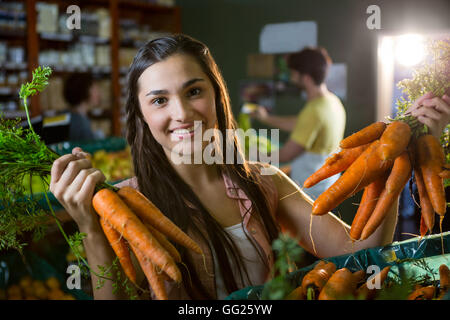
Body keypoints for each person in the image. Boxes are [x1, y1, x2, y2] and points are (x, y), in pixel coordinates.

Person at [49, 34, 450, 300]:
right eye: (159, 100)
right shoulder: (129, 203)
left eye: (194, 91)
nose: (183, 113)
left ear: (216, 96)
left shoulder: (264, 182)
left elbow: (359, 250)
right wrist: (89, 225)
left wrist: (399, 152)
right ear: (140, 116)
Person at [251, 47, 346, 200]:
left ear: (306, 78)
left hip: (310, 191)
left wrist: (254, 157)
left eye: (294, 73)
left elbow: (287, 153)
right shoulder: (332, 102)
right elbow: (301, 124)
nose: (292, 77)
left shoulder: (314, 110)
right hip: (328, 185)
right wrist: (266, 118)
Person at [63, 72, 100, 142]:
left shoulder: (64, 115)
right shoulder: (81, 124)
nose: (98, 93)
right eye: (95, 89)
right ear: (85, 91)